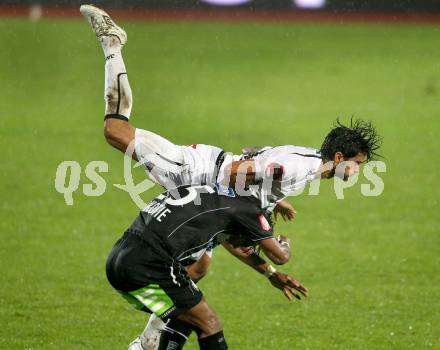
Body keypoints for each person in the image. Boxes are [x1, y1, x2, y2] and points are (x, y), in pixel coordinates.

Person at [79, 4, 381, 349]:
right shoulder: (301, 167)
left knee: (197, 268)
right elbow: (240, 171)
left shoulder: (306, 165)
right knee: (116, 131)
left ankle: (152, 341)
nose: (356, 172)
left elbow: (249, 175)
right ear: (339, 158)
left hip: (211, 191)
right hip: (197, 172)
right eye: (357, 164)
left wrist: (270, 209)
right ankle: (113, 45)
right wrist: (232, 204)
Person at [105, 183, 308, 350]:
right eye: (247, 241)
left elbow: (232, 243)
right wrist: (285, 242)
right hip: (148, 264)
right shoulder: (247, 212)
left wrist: (271, 274)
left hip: (119, 258)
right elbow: (280, 256)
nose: (242, 246)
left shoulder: (219, 200)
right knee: (209, 324)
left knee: (187, 316)